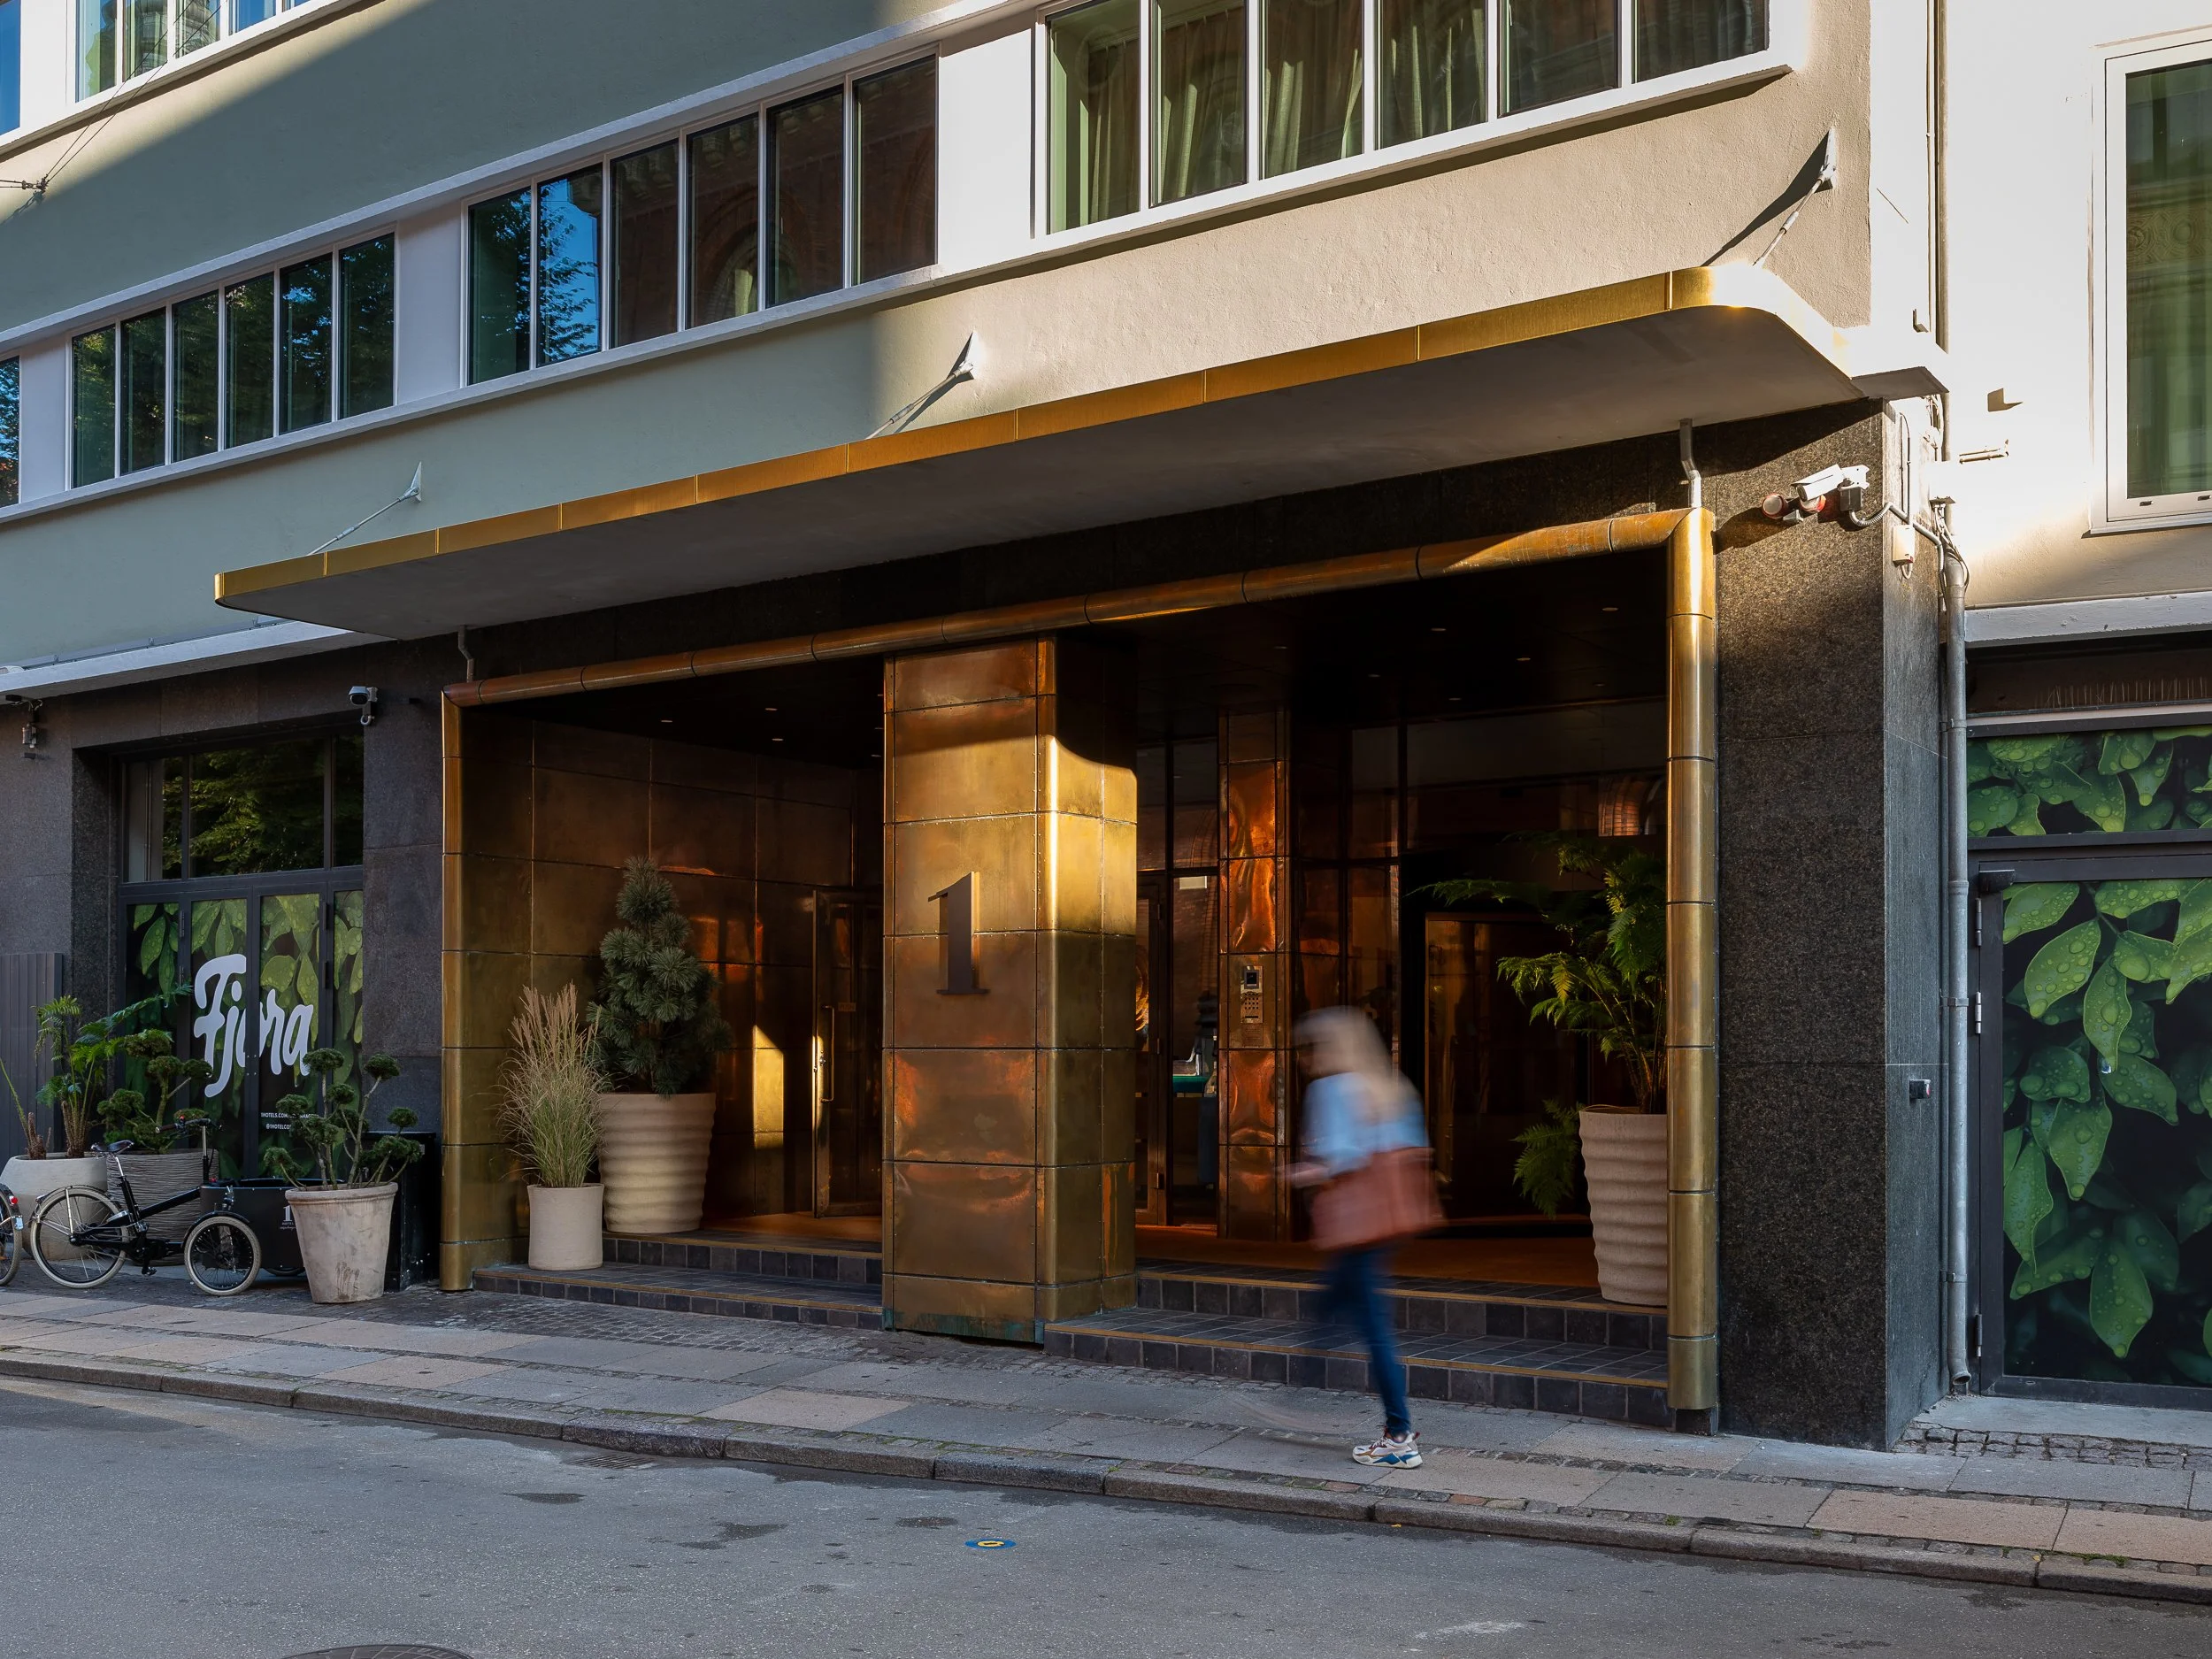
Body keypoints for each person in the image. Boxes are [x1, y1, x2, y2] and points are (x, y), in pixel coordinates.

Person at [1288, 1007, 1432, 1470]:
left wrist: (1300, 1173)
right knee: (1336, 1303)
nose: (1306, 1059)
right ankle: (1302, 1375)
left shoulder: (1331, 1089)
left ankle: (1398, 1434)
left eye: (1310, 1048)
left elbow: (1344, 1157)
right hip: (1384, 1223)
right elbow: (1413, 1148)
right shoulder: (1390, 1086)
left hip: (1356, 1223)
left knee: (1369, 1325)